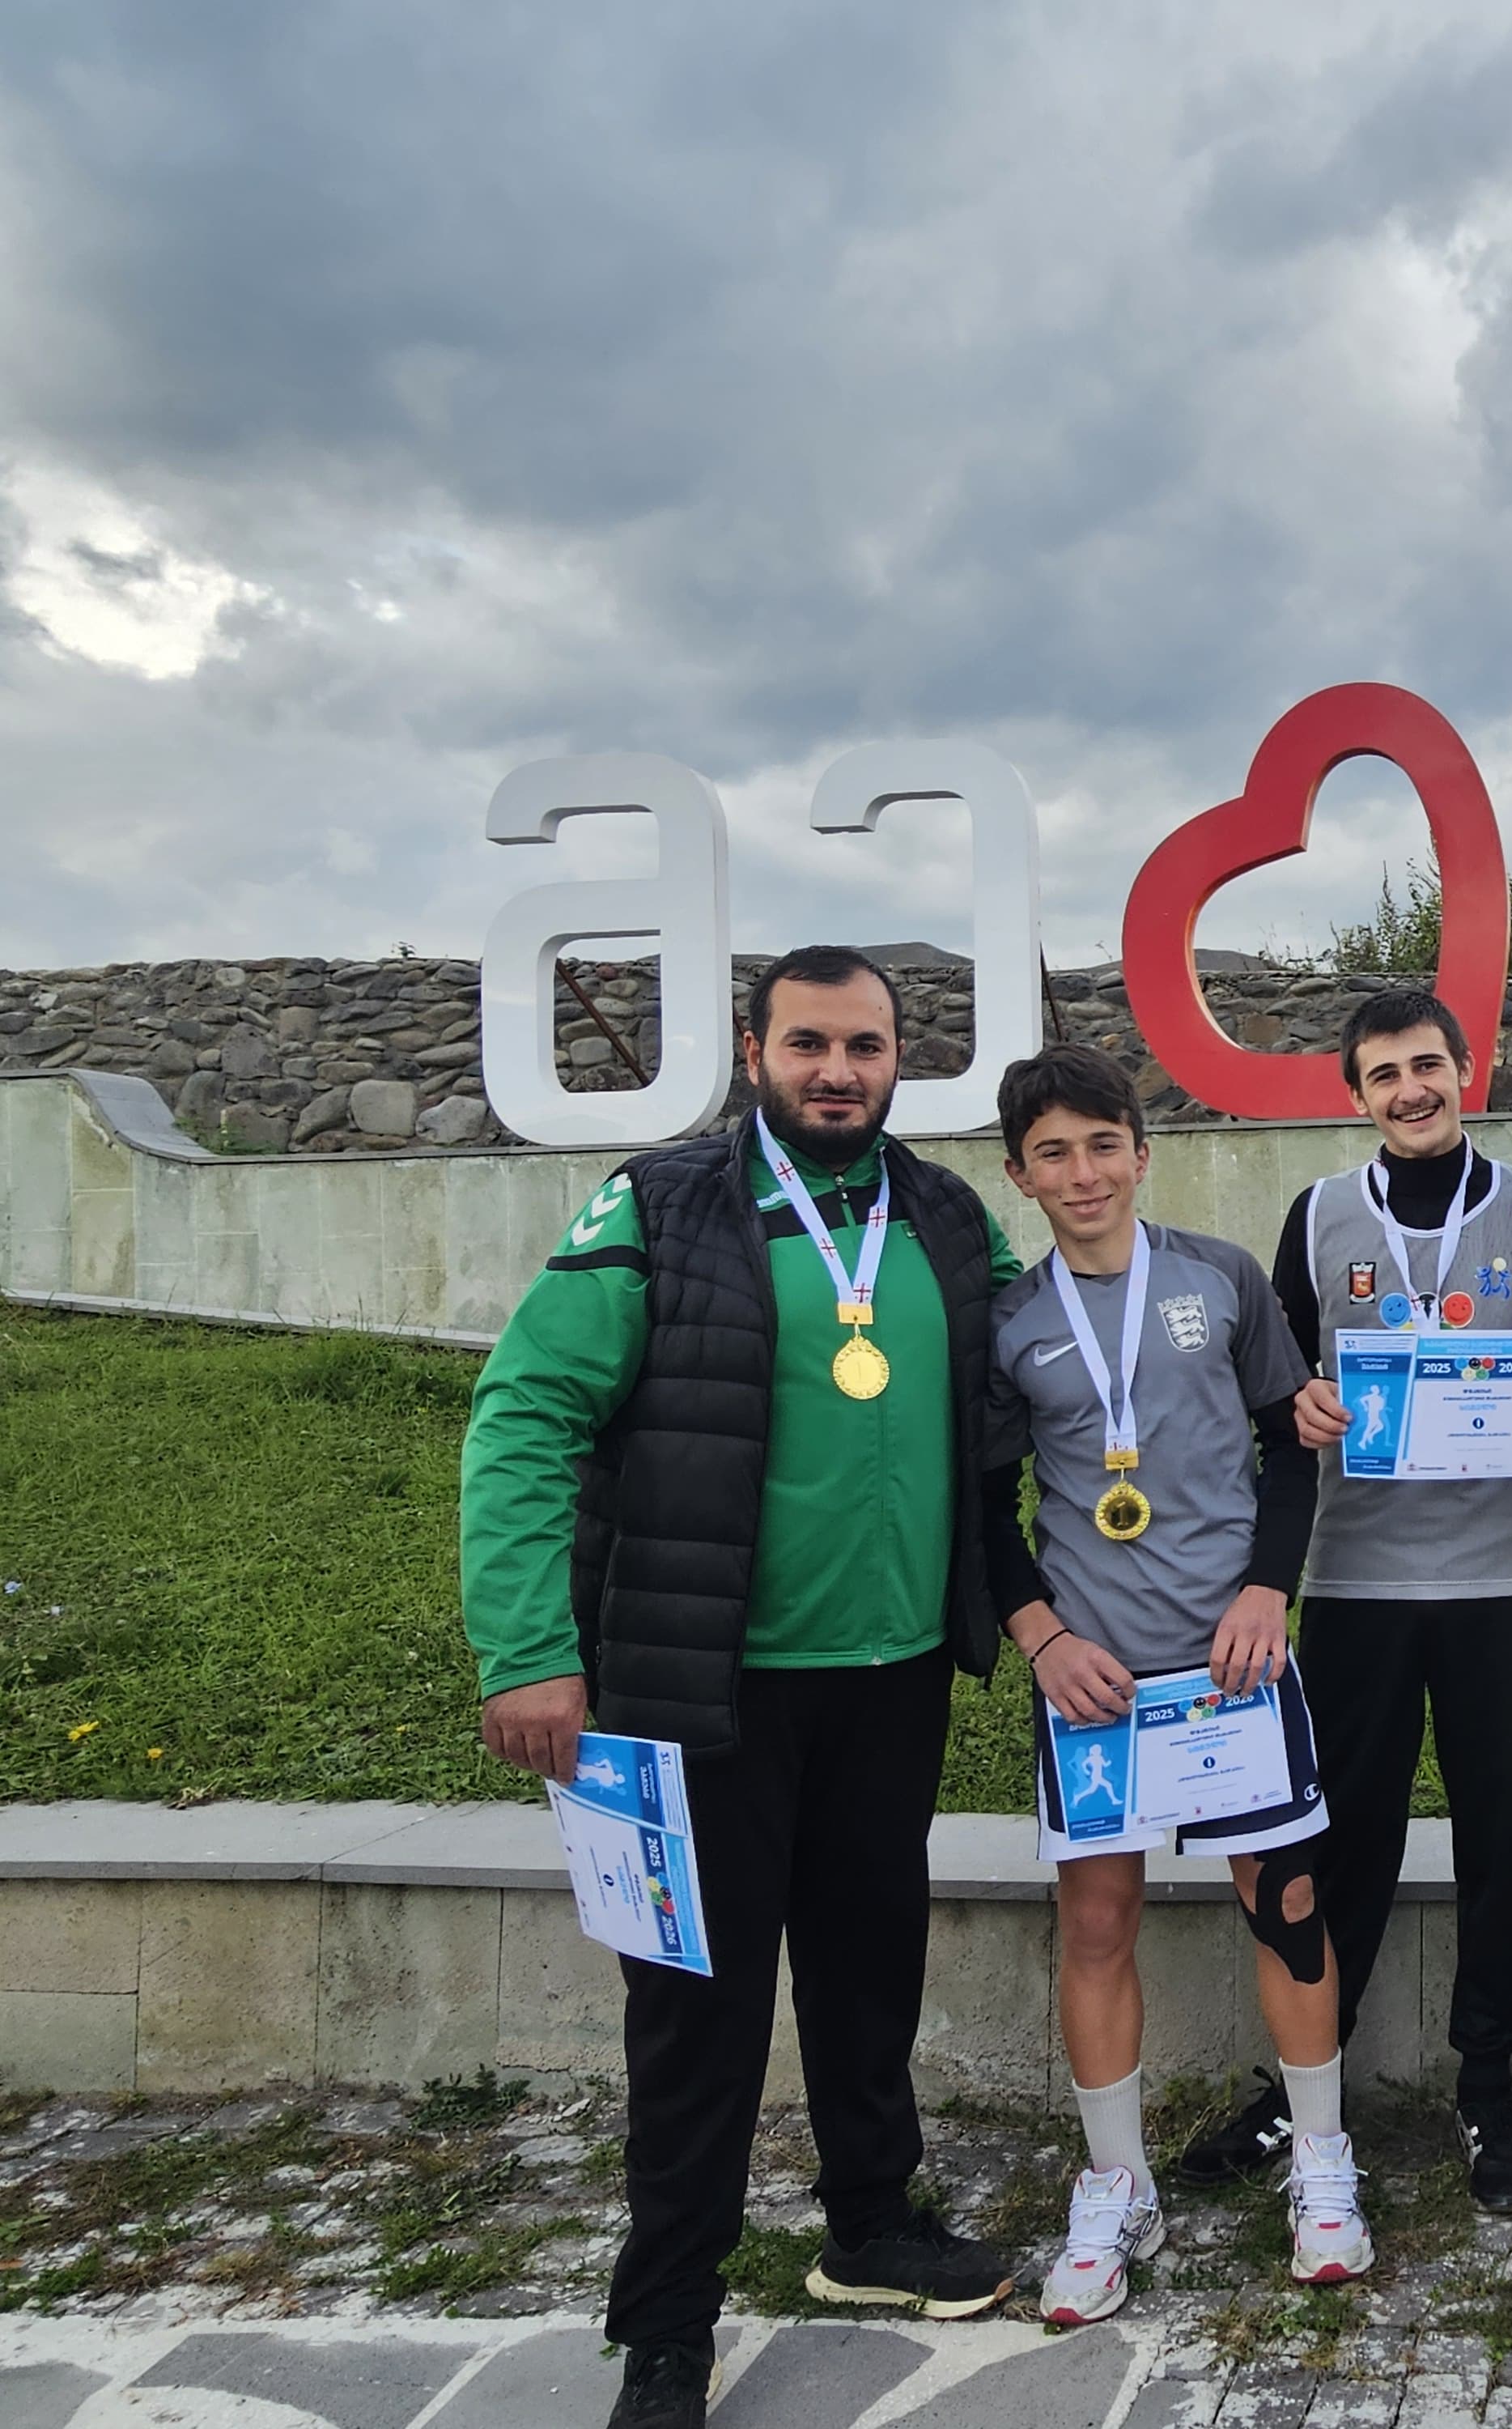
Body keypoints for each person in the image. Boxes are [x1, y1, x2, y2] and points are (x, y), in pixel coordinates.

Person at [461, 946, 1019, 2429]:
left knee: (867, 1971)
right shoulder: (661, 1205)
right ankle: (666, 2325)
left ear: (901, 1062)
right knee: (694, 2017)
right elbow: (524, 1412)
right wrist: (528, 1650)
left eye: (866, 1046)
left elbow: (1055, 1388)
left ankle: (870, 2227)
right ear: (755, 1049)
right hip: (699, 1687)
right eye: (811, 1043)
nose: (840, 1071)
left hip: (893, 1676)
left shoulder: (947, 1216)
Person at [1174, 986, 1512, 2212]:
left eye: (1427, 1065)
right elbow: (1278, 1393)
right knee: (1339, 1838)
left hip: (1507, 1583)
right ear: (1356, 1094)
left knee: (1496, 1842)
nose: (1410, 1090)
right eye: (1384, 1075)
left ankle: (1488, 2089)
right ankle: (1307, 2082)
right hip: (1357, 1581)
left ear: (1467, 1069)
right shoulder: (1319, 1216)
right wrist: (1301, 1403)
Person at [978, 1044, 1365, 2327]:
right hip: (1095, 1681)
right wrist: (1042, 1639)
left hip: (1231, 1665)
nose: (1083, 1172)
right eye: (1053, 1153)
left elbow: (1292, 1439)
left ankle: (1322, 2164)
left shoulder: (1221, 1277)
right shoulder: (1010, 1322)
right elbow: (983, 1507)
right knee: (1096, 1923)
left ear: (1142, 1154)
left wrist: (1267, 1589)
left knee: (1287, 1901)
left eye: (1104, 1145)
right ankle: (1119, 2187)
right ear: (1021, 1174)